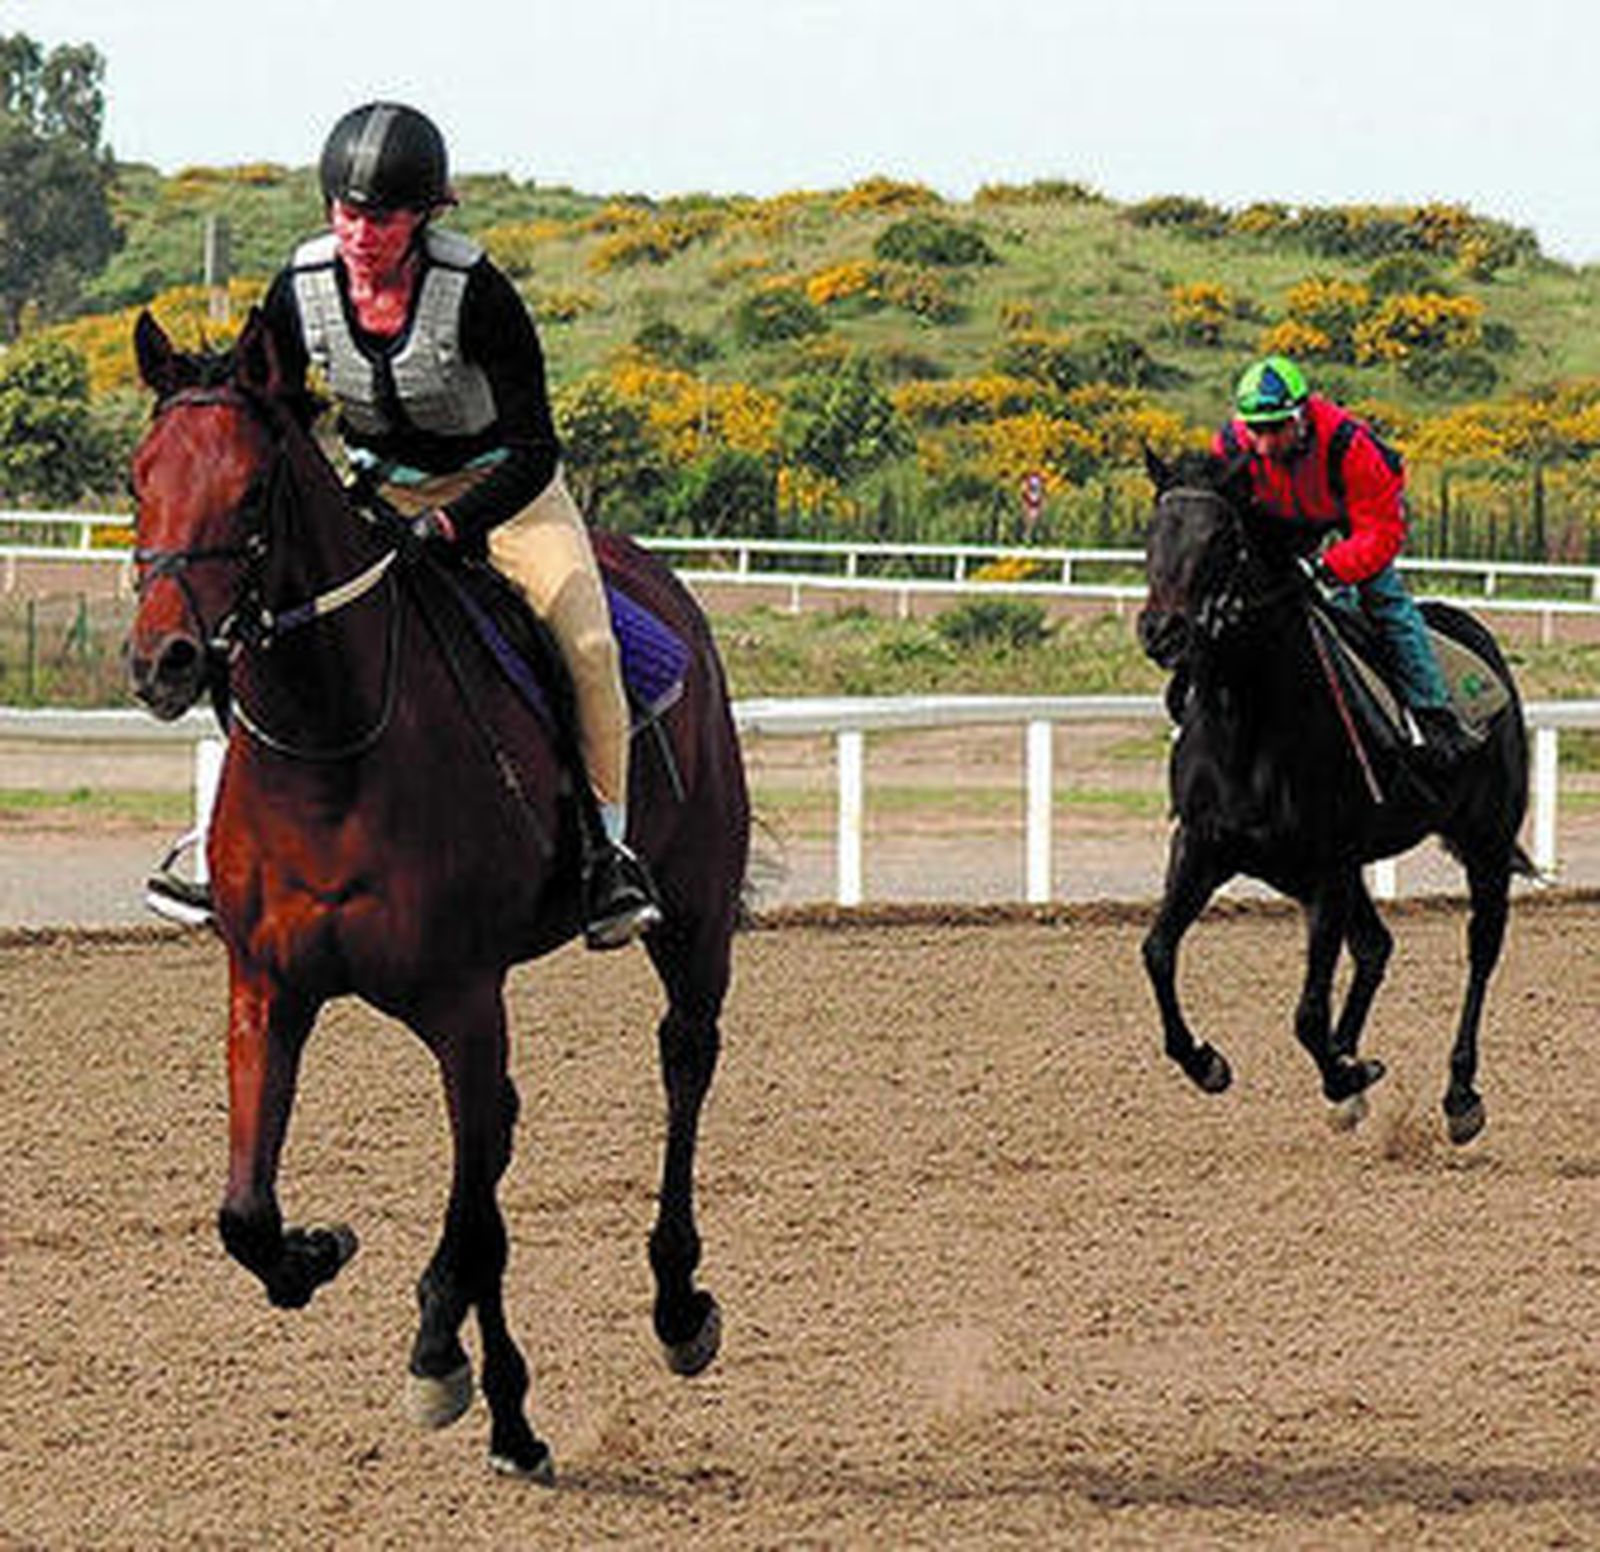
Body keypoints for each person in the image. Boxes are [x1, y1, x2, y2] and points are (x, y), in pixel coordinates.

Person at [147, 101, 661, 949]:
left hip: (505, 494)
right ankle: (221, 841)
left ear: (424, 216)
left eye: (382, 218)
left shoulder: (477, 293)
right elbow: (269, 413)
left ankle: (608, 853)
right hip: (378, 490)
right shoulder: (301, 288)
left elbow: (536, 451)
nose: (359, 233)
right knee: (259, 632)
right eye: (346, 212)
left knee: (591, 647)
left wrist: (450, 526)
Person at [1211, 353, 1479, 764]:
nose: (1263, 444)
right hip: (1283, 526)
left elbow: (1381, 532)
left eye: (1275, 429)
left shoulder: (1349, 445)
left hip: (1352, 525)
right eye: (1255, 430)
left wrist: (1328, 569)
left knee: (1384, 603)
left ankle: (1432, 713)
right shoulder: (1231, 447)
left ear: (1300, 417)